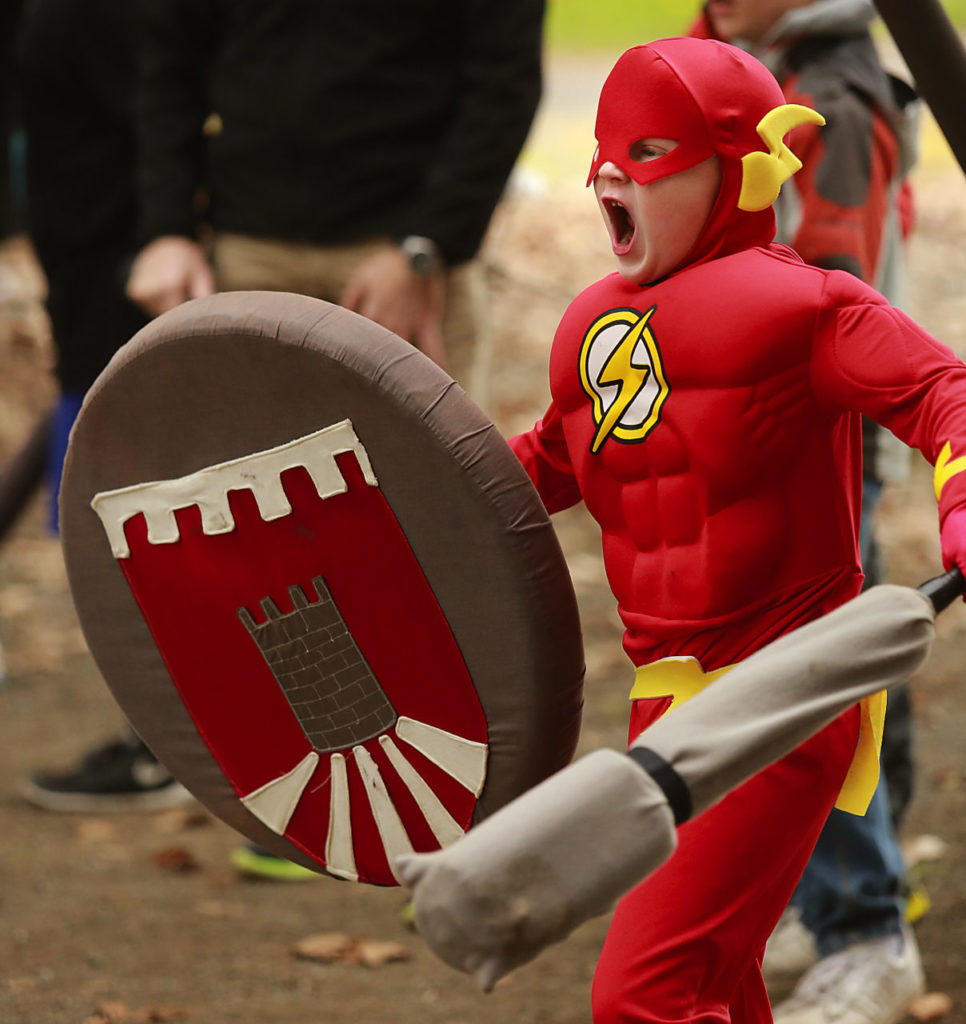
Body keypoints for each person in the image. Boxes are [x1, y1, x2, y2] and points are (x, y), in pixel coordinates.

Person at [508, 36, 966, 1024]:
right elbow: (539, 467)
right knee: (716, 983)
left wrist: (961, 495)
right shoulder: (589, 327)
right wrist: (398, 494)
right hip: (663, 701)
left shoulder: (806, 308)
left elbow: (945, 391)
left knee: (644, 995)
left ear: (744, 167)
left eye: (650, 152)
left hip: (781, 692)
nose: (610, 174)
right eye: (606, 151)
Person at [28, 0, 545, 844]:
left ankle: (473, 820)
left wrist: (427, 245)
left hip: (406, 255)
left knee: (439, 528)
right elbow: (168, 56)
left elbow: (504, 78)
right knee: (255, 539)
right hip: (251, 245)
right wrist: (167, 226)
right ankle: (296, 807)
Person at [692, 2, 925, 1018]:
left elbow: (828, 292)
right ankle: (822, 895)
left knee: (820, 677)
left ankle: (867, 928)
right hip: (750, 428)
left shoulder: (831, 95)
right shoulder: (748, 60)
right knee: (788, 672)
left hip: (812, 436)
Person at [7, 0, 192, 812]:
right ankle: (163, 739)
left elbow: (164, 116)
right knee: (101, 513)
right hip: (85, 276)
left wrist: (168, 234)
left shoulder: (109, 15)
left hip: (130, 276)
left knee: (131, 523)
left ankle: (166, 748)